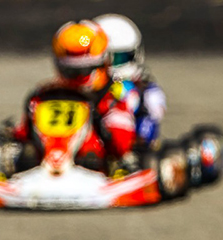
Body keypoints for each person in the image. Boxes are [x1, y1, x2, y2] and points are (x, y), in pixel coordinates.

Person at [10, 20, 141, 176]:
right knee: (22, 153)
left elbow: (122, 141)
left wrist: (107, 125)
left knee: (99, 152)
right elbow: (23, 133)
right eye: (70, 71)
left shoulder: (111, 96)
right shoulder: (42, 95)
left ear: (101, 64)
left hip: (92, 158)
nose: (76, 78)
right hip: (45, 159)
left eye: (83, 71)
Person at [93, 13, 167, 148]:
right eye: (102, 60)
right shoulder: (83, 90)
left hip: (131, 150)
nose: (108, 66)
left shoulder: (144, 91)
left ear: (134, 55)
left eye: (117, 58)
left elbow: (154, 116)